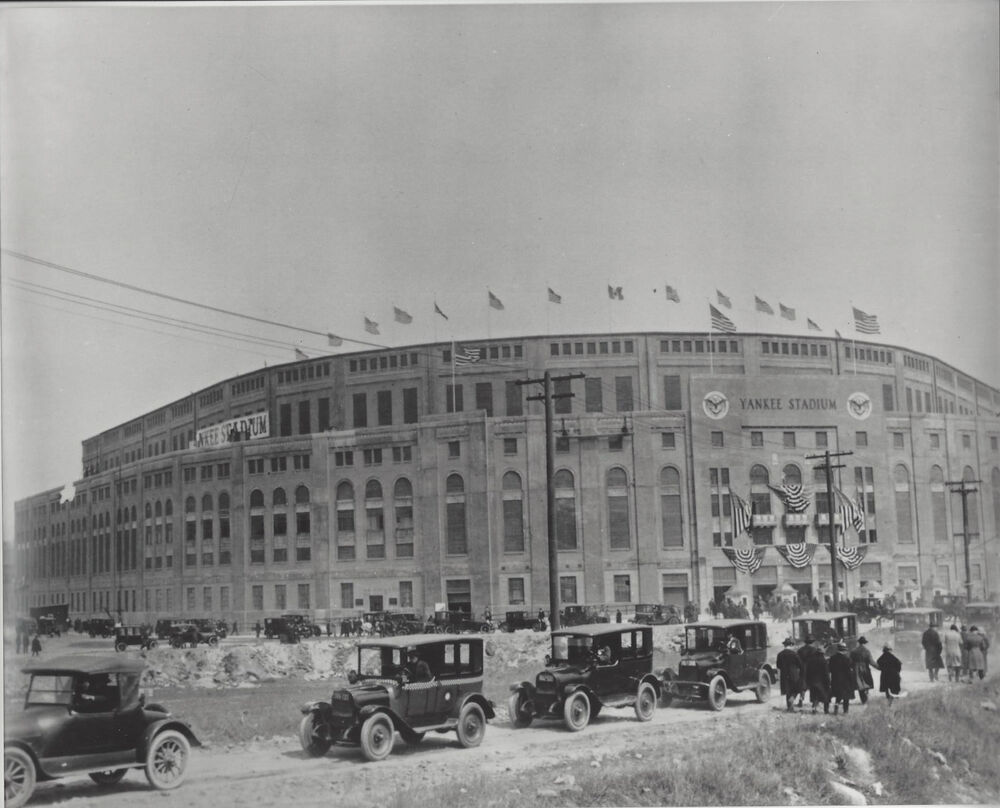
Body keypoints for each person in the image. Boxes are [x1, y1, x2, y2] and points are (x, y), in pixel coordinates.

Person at [803, 640, 831, 714]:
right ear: (822, 653)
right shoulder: (824, 661)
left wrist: (808, 682)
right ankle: (826, 710)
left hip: (813, 682)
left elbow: (807, 672)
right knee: (826, 697)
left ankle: (814, 709)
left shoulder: (810, 661)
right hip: (822, 682)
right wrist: (828, 682)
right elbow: (826, 673)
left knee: (815, 697)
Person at [776, 637, 803, 712]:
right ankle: (792, 699)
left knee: (788, 690)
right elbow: (800, 664)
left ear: (785, 645)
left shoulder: (780, 654)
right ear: (791, 645)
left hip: (784, 675)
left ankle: (789, 708)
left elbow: (778, 666)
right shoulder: (794, 654)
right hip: (794, 674)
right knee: (797, 689)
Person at [849, 636, 879, 704]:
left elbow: (850, 662)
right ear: (865, 643)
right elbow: (871, 662)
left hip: (856, 670)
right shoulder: (867, 651)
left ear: (859, 643)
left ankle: (863, 699)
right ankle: (866, 697)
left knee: (860, 685)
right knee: (867, 683)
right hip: (865, 669)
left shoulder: (853, 651)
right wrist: (879, 667)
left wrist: (852, 667)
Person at [828, 643, 855, 714]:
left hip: (835, 679)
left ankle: (836, 705)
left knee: (838, 694)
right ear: (844, 650)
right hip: (845, 680)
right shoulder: (847, 659)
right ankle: (845, 711)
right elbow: (849, 671)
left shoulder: (832, 658)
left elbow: (829, 669)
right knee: (846, 696)